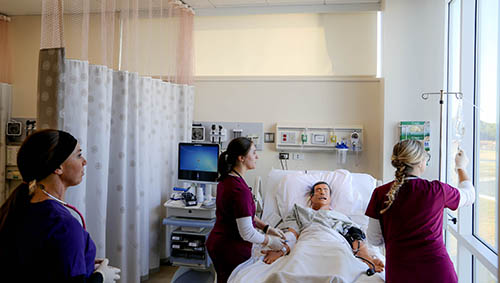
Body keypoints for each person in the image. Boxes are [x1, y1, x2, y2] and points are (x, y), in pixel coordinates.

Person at [0, 129, 121, 283]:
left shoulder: (18, 209)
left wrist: (82, 262)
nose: (84, 161)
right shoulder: (63, 225)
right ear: (58, 168)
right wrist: (100, 277)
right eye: (78, 155)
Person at [365, 140, 475, 283]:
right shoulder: (437, 190)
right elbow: (469, 195)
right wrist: (460, 167)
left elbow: (374, 239)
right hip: (438, 273)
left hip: (399, 274)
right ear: (420, 163)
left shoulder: (380, 193)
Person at [206, 137, 286, 283]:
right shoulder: (239, 189)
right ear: (241, 158)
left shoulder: (228, 179)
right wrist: (270, 241)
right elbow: (247, 233)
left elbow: (243, 214)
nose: (257, 157)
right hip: (229, 249)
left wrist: (267, 228)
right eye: (254, 153)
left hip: (219, 243)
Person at [261, 181, 384, 274]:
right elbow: (292, 233)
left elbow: (355, 236)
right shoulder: (299, 211)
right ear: (311, 197)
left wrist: (367, 258)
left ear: (330, 198)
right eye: (318, 190)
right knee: (298, 267)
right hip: (308, 242)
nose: (322, 192)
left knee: (340, 268)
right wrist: (281, 250)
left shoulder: (341, 217)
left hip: (335, 243)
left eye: (326, 190)